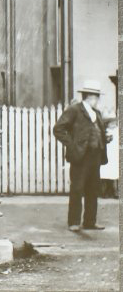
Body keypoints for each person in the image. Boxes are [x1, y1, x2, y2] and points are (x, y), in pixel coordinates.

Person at [53, 80, 113, 231]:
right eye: (97, 97)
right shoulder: (74, 110)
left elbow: (96, 131)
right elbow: (58, 129)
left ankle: (90, 222)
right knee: (77, 188)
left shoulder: (96, 113)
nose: (97, 100)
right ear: (90, 97)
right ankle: (74, 222)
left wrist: (105, 138)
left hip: (96, 155)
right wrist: (72, 145)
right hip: (80, 155)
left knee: (93, 189)